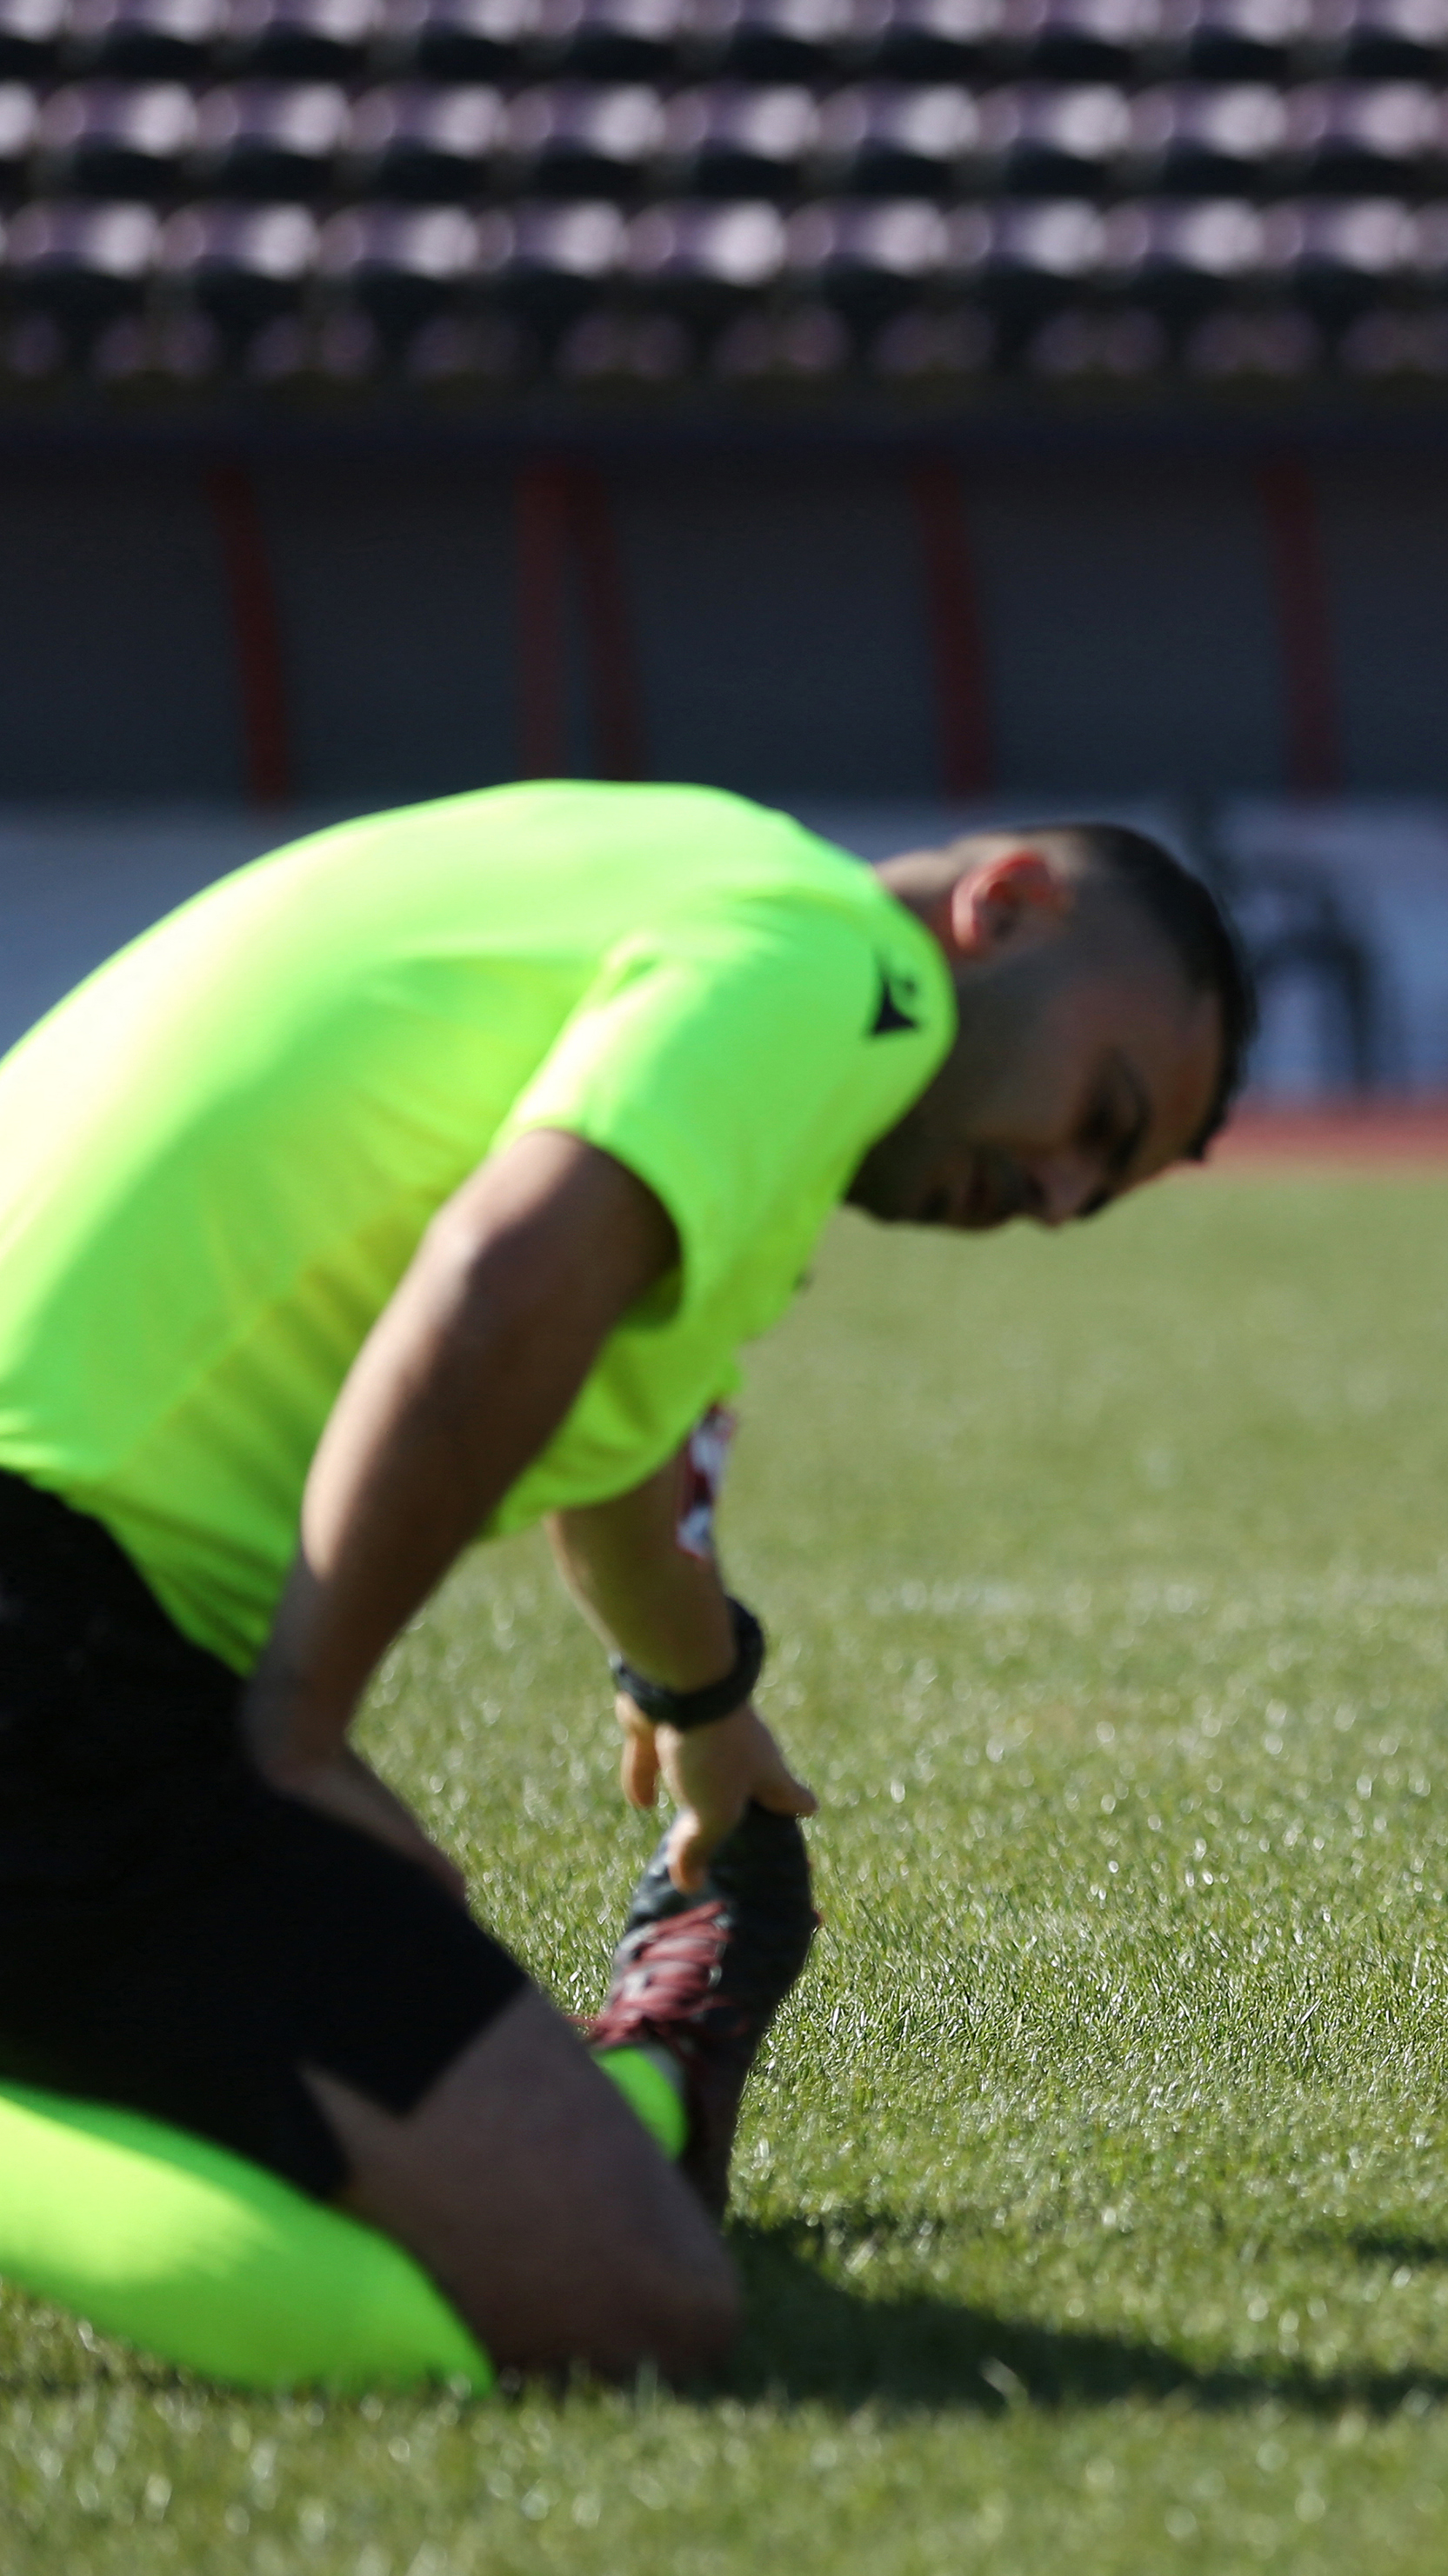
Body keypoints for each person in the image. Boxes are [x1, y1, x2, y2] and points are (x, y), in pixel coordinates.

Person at [0, 781, 1253, 2390]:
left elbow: (612, 1452)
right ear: (1002, 905)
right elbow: (500, 1279)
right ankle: (641, 2085)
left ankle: (646, 2076)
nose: (1063, 1197)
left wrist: (705, 1705)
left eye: (1108, 1187)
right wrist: (301, 1745)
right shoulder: (832, 962)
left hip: (65, 1607)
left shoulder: (672, 874)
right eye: (1102, 1113)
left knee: (425, 2089)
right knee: (629, 2301)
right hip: (47, 1616)